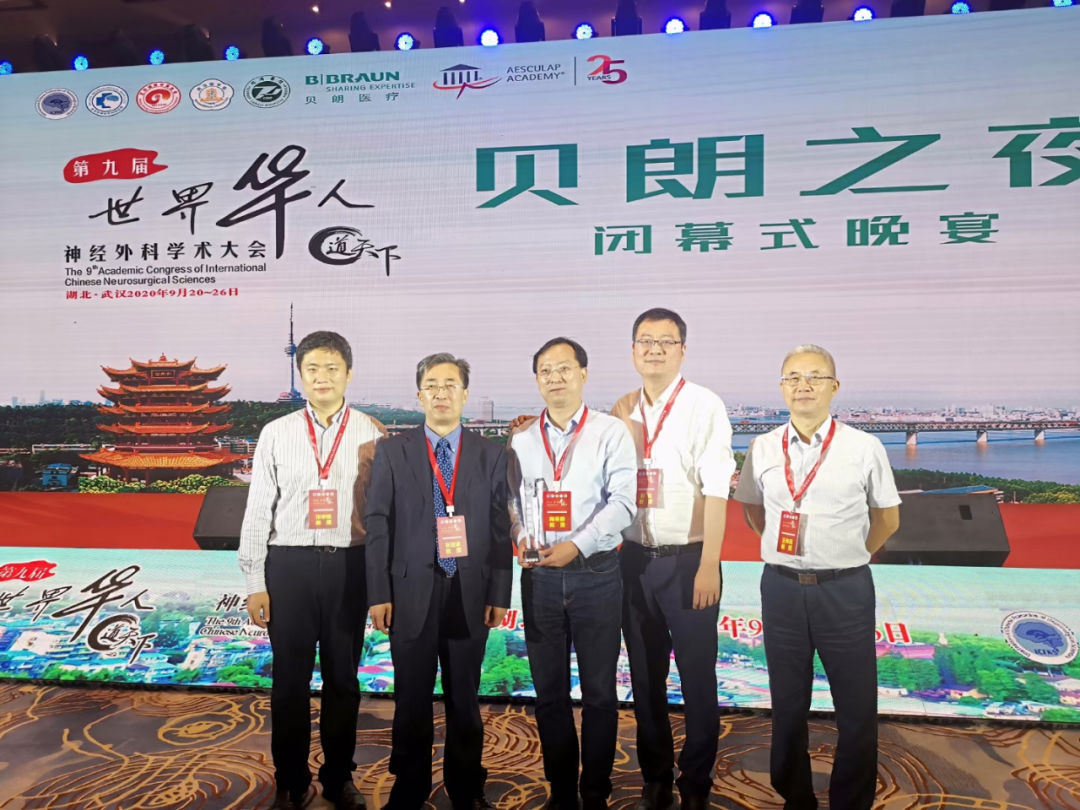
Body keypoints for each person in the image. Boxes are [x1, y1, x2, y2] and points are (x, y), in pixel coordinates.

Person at [733, 344, 900, 810]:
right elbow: (753, 511)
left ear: (834, 386)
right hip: (781, 588)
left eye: (814, 376)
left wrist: (848, 554)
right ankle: (796, 796)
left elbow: (887, 519)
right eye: (792, 377)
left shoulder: (863, 447)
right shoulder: (763, 446)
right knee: (787, 705)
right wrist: (787, 551)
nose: (802, 385)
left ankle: (851, 801)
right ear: (781, 386)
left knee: (857, 706)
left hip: (845, 590)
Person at [239, 330, 387, 810]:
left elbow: (383, 515)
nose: (322, 378)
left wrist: (382, 583)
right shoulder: (276, 432)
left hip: (349, 566)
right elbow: (258, 511)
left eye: (332, 368)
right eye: (312, 369)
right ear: (300, 375)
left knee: (344, 680)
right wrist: (254, 582)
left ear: (349, 373)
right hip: (290, 567)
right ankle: (291, 779)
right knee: (289, 682)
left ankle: (339, 777)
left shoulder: (372, 432)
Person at [365, 353, 512, 810]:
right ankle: (408, 788)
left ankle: (466, 787)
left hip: (470, 592)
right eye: (432, 384)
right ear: (419, 395)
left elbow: (500, 528)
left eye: (451, 384)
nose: (441, 392)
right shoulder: (393, 450)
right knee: (410, 698)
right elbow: (378, 522)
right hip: (409, 591)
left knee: (464, 699)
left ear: (465, 394)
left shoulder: (491, 453)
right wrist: (378, 592)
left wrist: (499, 591)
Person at [609, 308, 735, 810]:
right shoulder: (622, 408)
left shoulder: (704, 405)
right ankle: (656, 777)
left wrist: (709, 564)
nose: (655, 349)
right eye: (646, 340)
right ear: (633, 350)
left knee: (698, 679)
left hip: (690, 562)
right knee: (645, 680)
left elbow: (717, 491)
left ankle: (697, 783)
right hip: (634, 562)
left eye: (666, 341)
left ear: (683, 350)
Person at [507, 337, 637, 810]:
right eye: (545, 370)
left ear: (583, 373)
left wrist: (576, 545)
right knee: (549, 694)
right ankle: (562, 791)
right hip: (540, 578)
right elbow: (512, 500)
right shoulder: (522, 439)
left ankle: (596, 792)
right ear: (536, 379)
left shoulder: (610, 432)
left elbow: (624, 503)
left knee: (600, 694)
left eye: (564, 368)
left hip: (596, 574)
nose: (555, 378)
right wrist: (521, 534)